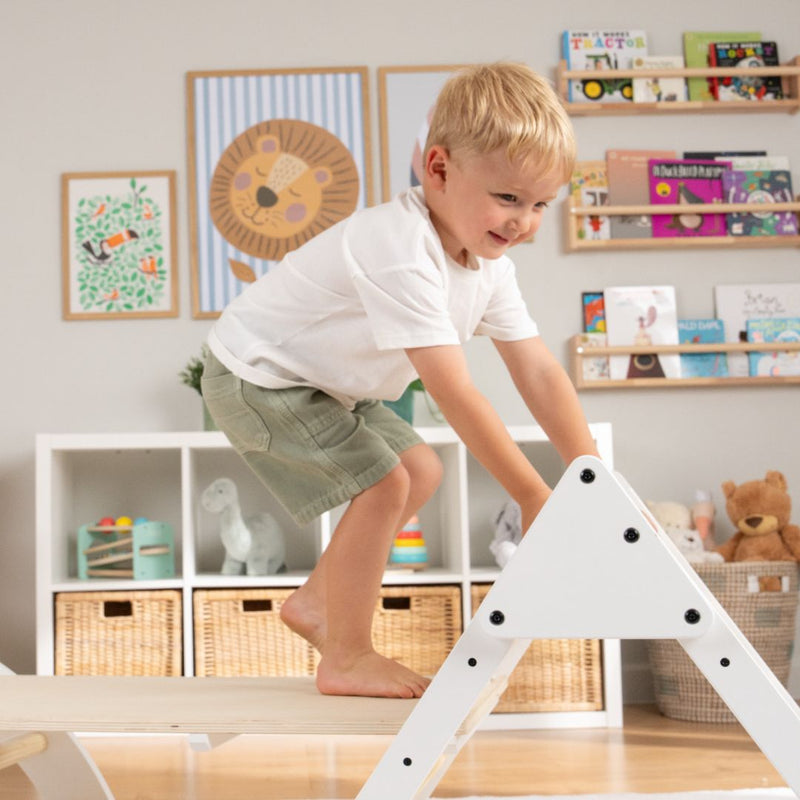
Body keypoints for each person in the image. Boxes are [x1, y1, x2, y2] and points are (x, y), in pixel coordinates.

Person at [201, 62, 599, 700]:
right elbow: (452, 389)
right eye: (508, 198)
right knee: (385, 484)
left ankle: (314, 604)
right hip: (259, 376)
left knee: (423, 469)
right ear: (438, 169)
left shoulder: (487, 266)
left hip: (326, 386)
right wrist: (531, 494)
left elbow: (539, 370)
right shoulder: (401, 248)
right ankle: (347, 657)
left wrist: (589, 476)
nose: (524, 221)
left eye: (540, 205)